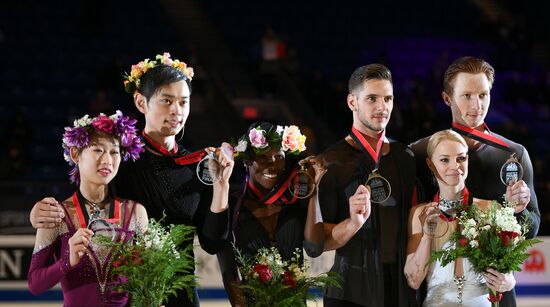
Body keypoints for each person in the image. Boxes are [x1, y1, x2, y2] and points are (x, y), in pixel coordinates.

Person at [30, 52, 235, 306]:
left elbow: (212, 243)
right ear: (141, 102)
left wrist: (221, 185)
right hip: (131, 298)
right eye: (167, 101)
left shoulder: (198, 165)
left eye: (184, 102)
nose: (176, 111)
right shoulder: (119, 160)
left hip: (181, 296)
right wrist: (40, 213)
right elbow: (86, 201)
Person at [410, 56, 540, 306]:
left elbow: (532, 225)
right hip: (437, 294)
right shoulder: (419, 153)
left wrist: (521, 211)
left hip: (495, 293)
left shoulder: (513, 154)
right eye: (467, 95)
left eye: (483, 95)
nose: (477, 105)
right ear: (447, 98)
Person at [316, 64, 417, 306]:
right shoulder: (329, 162)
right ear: (352, 102)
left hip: (400, 292)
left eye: (388, 99)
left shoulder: (406, 156)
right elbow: (319, 242)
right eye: (372, 98)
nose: (382, 107)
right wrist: (352, 224)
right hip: (350, 293)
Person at [27, 111, 148, 306]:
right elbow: (35, 284)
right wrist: (68, 261)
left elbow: (146, 281)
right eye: (98, 150)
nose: (107, 160)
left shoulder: (135, 212)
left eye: (114, 152)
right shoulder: (56, 214)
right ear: (75, 154)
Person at [216, 121, 326, 306]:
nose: (273, 165)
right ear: (246, 160)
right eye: (263, 158)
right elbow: (229, 272)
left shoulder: (295, 200)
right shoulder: (231, 205)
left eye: (279, 157)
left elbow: (314, 248)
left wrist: (314, 191)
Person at [405, 129, 516, 306]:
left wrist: (509, 281)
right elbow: (413, 280)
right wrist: (427, 235)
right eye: (444, 160)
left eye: (461, 158)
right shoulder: (420, 213)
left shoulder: (491, 209)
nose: (454, 166)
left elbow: (507, 273)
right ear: (430, 164)